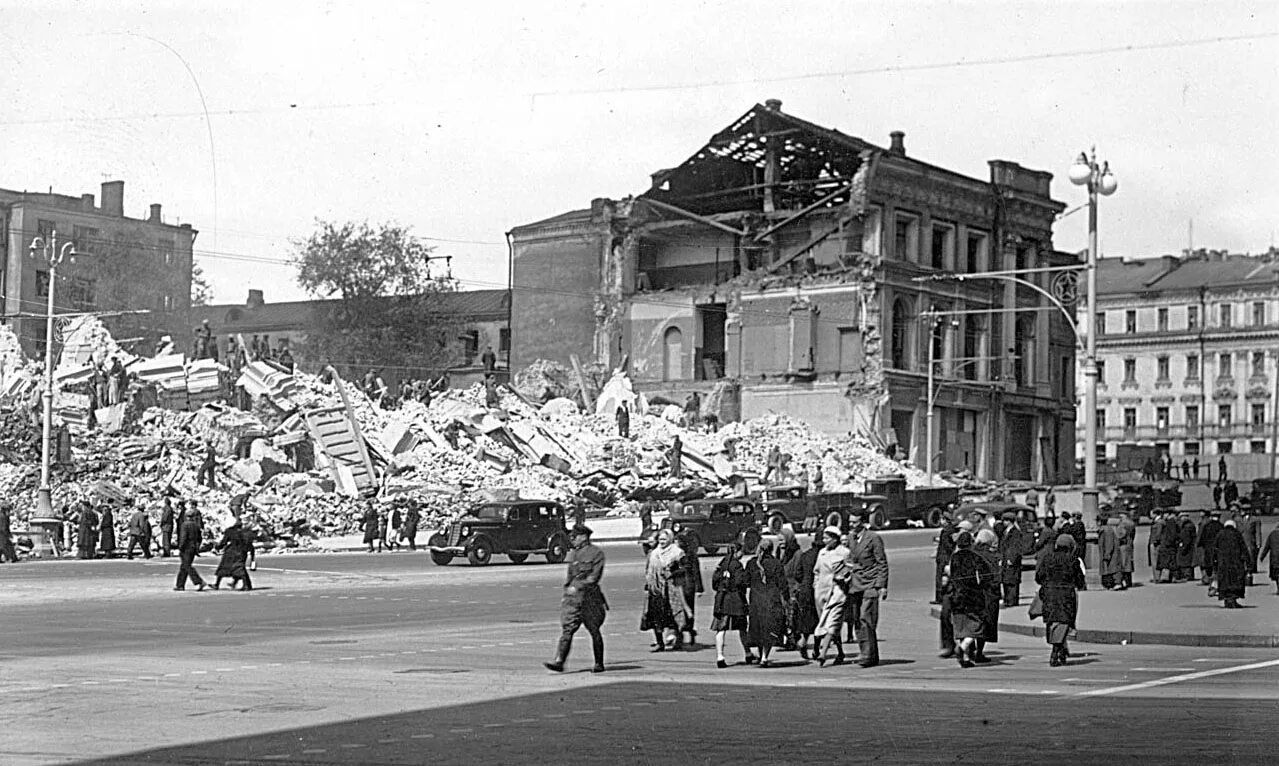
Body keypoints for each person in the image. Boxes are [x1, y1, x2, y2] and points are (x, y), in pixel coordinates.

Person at [545, 525, 607, 673]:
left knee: (594, 630)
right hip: (573, 601)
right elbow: (570, 577)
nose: (572, 539)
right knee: (567, 630)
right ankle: (559, 661)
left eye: (575, 537)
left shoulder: (596, 554)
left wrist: (578, 586)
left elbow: (594, 577)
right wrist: (566, 594)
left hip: (590, 600)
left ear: (584, 537)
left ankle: (599, 663)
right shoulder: (575, 554)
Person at [844, 511, 888, 668]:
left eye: (855, 522)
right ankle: (869, 654)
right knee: (857, 619)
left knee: (866, 618)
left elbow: (881, 562)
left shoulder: (873, 538)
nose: (851, 525)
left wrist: (882, 586)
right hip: (854, 584)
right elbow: (847, 558)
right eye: (850, 522)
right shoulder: (849, 538)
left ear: (862, 523)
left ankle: (867, 655)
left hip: (870, 583)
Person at [1037, 534, 1085, 666]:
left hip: (1050, 594)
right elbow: (1080, 581)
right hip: (1066, 595)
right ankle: (1056, 651)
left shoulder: (1048, 558)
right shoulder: (1073, 560)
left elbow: (1038, 577)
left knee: (1052, 622)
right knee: (1064, 622)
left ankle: (1061, 650)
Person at [946, 531, 990, 668]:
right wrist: (982, 586)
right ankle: (963, 647)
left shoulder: (954, 557)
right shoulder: (975, 557)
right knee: (977, 625)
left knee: (960, 625)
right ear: (971, 543)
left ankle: (964, 656)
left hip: (956, 595)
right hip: (972, 595)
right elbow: (986, 575)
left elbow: (950, 574)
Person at [745, 537, 788, 668]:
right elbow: (783, 584)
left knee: (758, 629)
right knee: (769, 629)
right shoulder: (776, 563)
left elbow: (746, 582)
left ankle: (760, 654)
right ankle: (765, 656)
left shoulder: (752, 563)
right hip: (771, 600)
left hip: (756, 600)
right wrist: (786, 600)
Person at [642, 529, 689, 651]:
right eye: (660, 539)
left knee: (672, 615)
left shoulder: (677, 553)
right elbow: (648, 570)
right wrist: (648, 583)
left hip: (670, 589)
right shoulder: (654, 553)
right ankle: (659, 642)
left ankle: (677, 638)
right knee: (655, 616)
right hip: (656, 589)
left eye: (664, 539)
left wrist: (671, 574)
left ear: (670, 539)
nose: (662, 541)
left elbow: (685, 569)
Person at [812, 526, 850, 667]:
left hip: (837, 594)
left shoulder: (844, 553)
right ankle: (840, 652)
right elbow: (816, 571)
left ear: (835, 539)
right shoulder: (822, 553)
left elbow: (850, 572)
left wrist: (843, 578)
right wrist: (816, 585)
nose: (824, 540)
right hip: (821, 594)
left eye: (827, 538)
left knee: (831, 624)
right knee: (826, 625)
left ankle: (823, 654)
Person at [710, 544, 750, 668]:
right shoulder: (737, 565)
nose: (742, 554)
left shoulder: (721, 564)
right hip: (735, 600)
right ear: (736, 552)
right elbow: (740, 582)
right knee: (742, 628)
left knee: (720, 629)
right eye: (741, 552)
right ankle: (748, 653)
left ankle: (720, 656)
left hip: (721, 600)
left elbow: (714, 582)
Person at [785, 534, 819, 660]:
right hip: (818, 590)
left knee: (808, 620)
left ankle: (803, 641)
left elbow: (798, 573)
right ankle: (816, 649)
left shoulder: (805, 555)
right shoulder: (822, 555)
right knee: (820, 621)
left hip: (805, 591)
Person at [973, 528, 1001, 663]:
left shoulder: (971, 553)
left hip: (972, 594)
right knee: (986, 624)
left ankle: (968, 649)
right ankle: (979, 652)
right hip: (988, 595)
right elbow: (996, 578)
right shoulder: (991, 557)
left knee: (972, 623)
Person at [674, 530, 704, 646]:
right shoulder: (676, 555)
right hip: (679, 586)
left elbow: (696, 573)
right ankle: (680, 635)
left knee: (689, 611)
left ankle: (690, 632)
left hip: (688, 587)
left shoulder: (690, 556)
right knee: (678, 611)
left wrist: (699, 588)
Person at [213, 514, 256, 591]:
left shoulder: (230, 531)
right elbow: (250, 544)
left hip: (231, 551)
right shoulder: (247, 532)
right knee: (240, 568)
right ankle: (246, 585)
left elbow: (224, 542)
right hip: (242, 552)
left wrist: (217, 547)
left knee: (223, 568)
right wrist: (252, 558)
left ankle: (217, 584)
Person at [1214, 519, 1250, 609]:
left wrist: (1214, 562)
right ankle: (1233, 600)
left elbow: (1215, 549)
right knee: (1235, 582)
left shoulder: (1220, 534)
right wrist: (1248, 563)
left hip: (1223, 563)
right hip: (1236, 563)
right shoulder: (1237, 534)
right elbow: (1244, 549)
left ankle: (1227, 600)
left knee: (1224, 582)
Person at [174, 506, 208, 591]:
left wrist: (180, 547)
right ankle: (180, 585)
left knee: (187, 566)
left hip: (186, 548)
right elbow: (199, 538)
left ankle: (198, 581)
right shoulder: (195, 525)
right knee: (184, 566)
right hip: (193, 548)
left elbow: (183, 537)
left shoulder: (185, 525)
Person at [997, 512, 1026, 607]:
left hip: (1012, 560)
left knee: (1012, 580)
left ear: (1010, 521)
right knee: (1006, 580)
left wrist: (1012, 558)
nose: (1003, 522)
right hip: (1005, 558)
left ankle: (1012, 600)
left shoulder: (1015, 532)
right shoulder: (1005, 531)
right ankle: (1007, 599)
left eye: (1005, 520)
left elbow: (1016, 547)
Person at [1198, 512, 1223, 585]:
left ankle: (1208, 578)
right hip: (1218, 548)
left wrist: (1202, 545)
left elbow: (1202, 538)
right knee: (1217, 564)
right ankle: (1216, 579)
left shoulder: (1207, 526)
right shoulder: (1221, 526)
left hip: (1208, 548)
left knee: (1208, 563)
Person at [1157, 511, 1181, 583]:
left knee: (1169, 561)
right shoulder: (1171, 521)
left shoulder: (1171, 521)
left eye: (1164, 514)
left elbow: (1172, 534)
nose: (1163, 516)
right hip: (1169, 545)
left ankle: (1169, 578)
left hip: (1169, 545)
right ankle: (1171, 577)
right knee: (1170, 561)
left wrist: (1169, 542)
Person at [1098, 516, 1120, 590]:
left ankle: (1112, 584)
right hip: (1107, 552)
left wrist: (1107, 554)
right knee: (1109, 568)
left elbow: (1109, 543)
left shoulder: (1106, 530)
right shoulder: (1107, 529)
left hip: (1108, 553)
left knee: (1109, 569)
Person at [1258, 523, 1279, 595]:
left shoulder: (1272, 535)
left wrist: (1262, 556)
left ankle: (1278, 587)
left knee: (1276, 574)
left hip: (1274, 558)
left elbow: (1267, 546)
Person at [1117, 512, 1136, 590]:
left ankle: (1125, 581)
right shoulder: (1131, 523)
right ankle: (1129, 581)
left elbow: (1121, 535)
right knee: (1129, 563)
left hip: (1123, 544)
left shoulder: (1123, 524)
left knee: (1123, 564)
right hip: (1130, 544)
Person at [1176, 513, 1197, 582]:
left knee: (1186, 561)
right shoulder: (1189, 525)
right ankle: (1188, 575)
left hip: (1187, 546)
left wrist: (1183, 546)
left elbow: (1187, 538)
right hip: (1189, 546)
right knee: (1187, 561)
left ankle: (1187, 575)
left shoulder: (1187, 526)